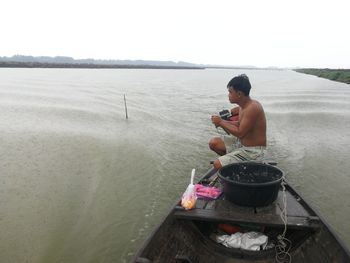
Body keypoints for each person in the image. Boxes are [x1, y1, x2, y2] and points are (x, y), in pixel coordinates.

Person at [209, 74, 266, 169]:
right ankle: (233, 164)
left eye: (230, 92)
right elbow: (239, 124)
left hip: (253, 151)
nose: (228, 95)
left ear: (239, 94)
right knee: (213, 143)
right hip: (241, 143)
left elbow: (240, 133)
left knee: (217, 164)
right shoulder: (243, 106)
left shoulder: (252, 108)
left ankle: (240, 168)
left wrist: (221, 122)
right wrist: (222, 121)